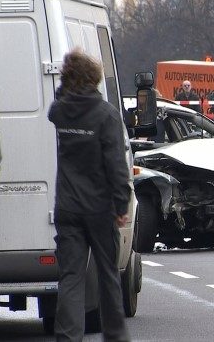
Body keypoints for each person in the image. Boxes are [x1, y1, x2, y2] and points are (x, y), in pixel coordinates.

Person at [47, 49, 131, 342]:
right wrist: (122, 204)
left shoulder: (60, 112)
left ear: (68, 78)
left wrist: (63, 83)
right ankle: (115, 336)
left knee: (71, 277)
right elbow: (117, 166)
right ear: (93, 77)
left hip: (67, 208)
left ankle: (68, 338)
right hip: (99, 208)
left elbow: (56, 103)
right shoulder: (106, 114)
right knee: (108, 275)